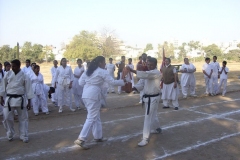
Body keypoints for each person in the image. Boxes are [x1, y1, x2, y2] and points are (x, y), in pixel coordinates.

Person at [74, 56, 125, 150]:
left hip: (86, 94)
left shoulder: (89, 71)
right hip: (93, 95)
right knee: (91, 117)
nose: (105, 64)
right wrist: (123, 82)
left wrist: (90, 84)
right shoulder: (102, 71)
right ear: (100, 63)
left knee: (95, 116)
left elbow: (81, 83)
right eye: (104, 62)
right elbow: (113, 82)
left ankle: (98, 136)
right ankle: (81, 139)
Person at [128, 57, 161, 146]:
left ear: (155, 65)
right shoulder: (147, 73)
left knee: (147, 117)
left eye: (151, 65)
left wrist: (131, 70)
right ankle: (157, 128)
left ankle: (145, 138)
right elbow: (142, 82)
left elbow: (144, 75)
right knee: (153, 114)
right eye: (148, 64)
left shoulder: (156, 72)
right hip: (148, 97)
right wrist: (134, 88)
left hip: (153, 98)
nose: (149, 66)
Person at [0, 59, 34, 143]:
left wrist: (29, 102)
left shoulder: (25, 75)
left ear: (19, 66)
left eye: (14, 66)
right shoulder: (8, 74)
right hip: (9, 99)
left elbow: (29, 89)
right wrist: (1, 97)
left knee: (23, 118)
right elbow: (3, 86)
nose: (12, 68)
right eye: (11, 66)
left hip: (20, 99)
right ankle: (10, 133)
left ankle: (23, 135)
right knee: (7, 117)